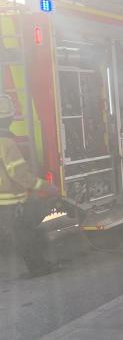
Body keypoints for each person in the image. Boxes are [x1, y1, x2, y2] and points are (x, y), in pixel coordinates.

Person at [0, 94, 54, 277]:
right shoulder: (7, 144)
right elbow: (19, 174)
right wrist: (45, 186)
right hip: (10, 202)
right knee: (25, 236)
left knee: (23, 235)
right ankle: (39, 268)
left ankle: (40, 265)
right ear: (10, 118)